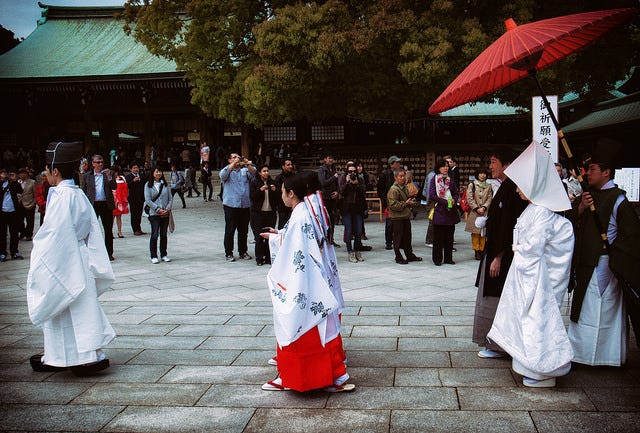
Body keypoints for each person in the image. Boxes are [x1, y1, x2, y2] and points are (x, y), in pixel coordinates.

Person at [487, 141, 574, 388]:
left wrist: (517, 249)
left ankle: (543, 368)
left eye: (521, 186)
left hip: (537, 281)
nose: (517, 190)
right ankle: (529, 365)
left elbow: (534, 249)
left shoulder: (542, 213)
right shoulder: (534, 210)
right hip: (527, 276)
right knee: (527, 323)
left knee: (537, 323)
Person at [260, 172, 354, 393]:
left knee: (297, 326)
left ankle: (298, 378)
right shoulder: (307, 211)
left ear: (291, 193)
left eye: (283, 191)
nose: (281, 195)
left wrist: (275, 239)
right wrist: (280, 236)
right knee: (320, 331)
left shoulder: (301, 215)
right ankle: (330, 376)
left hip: (304, 282)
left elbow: (296, 249)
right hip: (315, 280)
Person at [27, 141, 114, 376]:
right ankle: (78, 355)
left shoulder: (63, 196)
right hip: (79, 256)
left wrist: (39, 252)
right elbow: (91, 230)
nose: (46, 175)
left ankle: (72, 357)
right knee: (79, 308)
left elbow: (54, 234)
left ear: (55, 171)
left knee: (66, 307)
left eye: (47, 170)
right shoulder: (77, 194)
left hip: (65, 257)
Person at [566, 140, 640, 366]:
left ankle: (607, 356)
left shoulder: (619, 200)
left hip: (608, 263)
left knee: (606, 308)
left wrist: (616, 260)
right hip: (585, 261)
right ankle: (580, 354)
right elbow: (570, 224)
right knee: (585, 307)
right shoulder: (585, 197)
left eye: (593, 169)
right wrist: (579, 208)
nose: (587, 173)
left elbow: (631, 237)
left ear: (606, 172)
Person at [472, 146, 528, 358]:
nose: (490, 166)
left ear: (507, 164)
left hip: (502, 254)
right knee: (490, 295)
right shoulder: (505, 186)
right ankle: (493, 343)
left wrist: (498, 256)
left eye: (495, 162)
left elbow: (510, 226)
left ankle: (498, 344)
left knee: (497, 297)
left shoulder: (513, 189)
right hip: (494, 247)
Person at [220, 152, 256, 261]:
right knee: (230, 230)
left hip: (244, 205)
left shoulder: (244, 170)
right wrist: (233, 164)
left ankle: (243, 251)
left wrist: (247, 163)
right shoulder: (226, 170)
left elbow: (254, 175)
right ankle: (228, 253)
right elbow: (223, 176)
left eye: (237, 157)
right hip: (231, 205)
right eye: (234, 157)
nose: (236, 159)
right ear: (229, 160)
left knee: (243, 230)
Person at [82, 154, 116, 261]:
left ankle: (109, 253)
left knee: (108, 229)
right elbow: (83, 191)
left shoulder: (108, 174)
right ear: (93, 164)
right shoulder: (87, 176)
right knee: (91, 229)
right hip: (93, 204)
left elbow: (115, 186)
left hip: (106, 204)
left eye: (102, 162)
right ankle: (90, 251)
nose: (100, 164)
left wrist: (110, 177)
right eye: (98, 162)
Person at [387, 168, 422, 265]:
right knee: (398, 238)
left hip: (405, 216)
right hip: (397, 217)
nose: (402, 178)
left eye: (403, 176)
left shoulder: (404, 187)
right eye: (400, 176)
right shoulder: (393, 189)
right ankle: (398, 256)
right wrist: (405, 203)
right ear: (395, 177)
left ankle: (409, 255)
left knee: (407, 237)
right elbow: (392, 205)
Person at [429, 159, 460, 266]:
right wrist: (445, 202)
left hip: (451, 211)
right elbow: (432, 195)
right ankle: (437, 259)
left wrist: (454, 200)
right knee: (438, 238)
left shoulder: (450, 179)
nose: (445, 168)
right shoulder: (434, 179)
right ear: (438, 168)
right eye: (443, 166)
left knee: (449, 237)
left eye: (447, 166)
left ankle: (448, 258)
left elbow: (456, 192)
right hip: (440, 211)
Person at [249, 164, 277, 266]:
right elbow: (252, 197)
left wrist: (274, 190)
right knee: (259, 236)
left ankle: (269, 257)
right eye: (264, 171)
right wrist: (260, 190)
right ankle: (259, 258)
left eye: (267, 171)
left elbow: (278, 197)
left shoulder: (272, 182)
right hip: (258, 213)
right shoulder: (254, 182)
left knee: (269, 236)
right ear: (260, 172)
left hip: (270, 212)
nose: (266, 173)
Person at [144, 167, 173, 264]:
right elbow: (148, 200)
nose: (158, 173)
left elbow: (170, 199)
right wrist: (157, 209)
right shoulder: (148, 185)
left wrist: (167, 209)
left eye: (160, 171)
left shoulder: (165, 184)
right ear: (152, 173)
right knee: (155, 234)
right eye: (156, 171)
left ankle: (164, 254)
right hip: (154, 214)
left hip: (165, 214)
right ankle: (153, 255)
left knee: (164, 235)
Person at [339, 162, 366, 263]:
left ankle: (357, 251)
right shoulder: (343, 178)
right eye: (350, 171)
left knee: (358, 231)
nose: (352, 173)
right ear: (347, 172)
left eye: (354, 171)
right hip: (346, 208)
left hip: (358, 208)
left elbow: (364, 191)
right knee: (349, 230)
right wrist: (347, 183)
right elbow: (341, 191)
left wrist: (356, 184)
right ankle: (350, 252)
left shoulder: (360, 179)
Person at [465, 168, 493, 260]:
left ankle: (482, 250)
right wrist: (476, 208)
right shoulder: (472, 185)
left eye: (484, 173)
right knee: (475, 233)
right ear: (477, 175)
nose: (482, 175)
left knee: (484, 232)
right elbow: (469, 198)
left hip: (485, 212)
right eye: (480, 173)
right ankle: (477, 251)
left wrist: (484, 207)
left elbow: (490, 198)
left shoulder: (489, 186)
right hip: (475, 212)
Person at [378, 155, 402, 250]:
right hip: (389, 201)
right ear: (392, 164)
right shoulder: (384, 174)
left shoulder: (400, 173)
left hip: (399, 201)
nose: (399, 164)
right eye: (397, 162)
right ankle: (388, 242)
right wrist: (385, 200)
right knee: (390, 223)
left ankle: (399, 241)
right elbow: (380, 189)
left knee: (400, 222)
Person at [0, 168, 23, 261]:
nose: (5, 175)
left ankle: (14, 252)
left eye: (6, 173)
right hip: (2, 212)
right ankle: (2, 252)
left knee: (14, 233)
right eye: (2, 173)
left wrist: (15, 180)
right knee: (2, 234)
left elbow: (20, 191)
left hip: (13, 211)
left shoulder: (13, 184)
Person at [318, 154, 341, 247]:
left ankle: (331, 239)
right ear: (325, 159)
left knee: (332, 219)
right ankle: (325, 239)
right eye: (329, 158)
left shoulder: (334, 169)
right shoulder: (321, 170)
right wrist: (334, 177)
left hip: (333, 197)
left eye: (332, 158)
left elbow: (337, 184)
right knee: (326, 219)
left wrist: (337, 192)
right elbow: (323, 182)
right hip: (325, 198)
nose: (330, 160)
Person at [125, 162, 146, 235]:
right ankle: (135, 229)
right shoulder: (128, 177)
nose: (136, 169)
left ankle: (139, 228)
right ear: (131, 169)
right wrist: (133, 181)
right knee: (134, 214)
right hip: (133, 198)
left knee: (139, 213)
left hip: (141, 197)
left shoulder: (142, 176)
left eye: (137, 168)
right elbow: (126, 186)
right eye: (134, 168)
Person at [273, 158, 295, 229]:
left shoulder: (295, 176)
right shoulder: (279, 178)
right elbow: (277, 193)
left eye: (291, 164)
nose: (290, 166)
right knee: (282, 227)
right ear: (283, 166)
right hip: (282, 207)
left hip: (294, 205)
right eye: (288, 165)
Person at [17, 167, 36, 241]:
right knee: (19, 220)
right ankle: (22, 233)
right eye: (21, 174)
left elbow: (35, 194)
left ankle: (28, 235)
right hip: (19, 203)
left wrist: (34, 203)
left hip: (29, 203)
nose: (22, 175)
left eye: (24, 173)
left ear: (27, 174)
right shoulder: (17, 182)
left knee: (30, 220)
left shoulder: (32, 182)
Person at [111, 166, 129, 239]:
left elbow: (126, 188)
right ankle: (110, 232)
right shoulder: (109, 179)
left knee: (119, 217)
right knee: (112, 217)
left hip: (121, 200)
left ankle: (120, 231)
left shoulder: (122, 178)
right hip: (113, 200)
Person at [422, 167, 436, 247]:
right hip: (432, 202)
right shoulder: (433, 175)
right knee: (432, 221)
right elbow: (428, 191)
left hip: (432, 201)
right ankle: (429, 240)